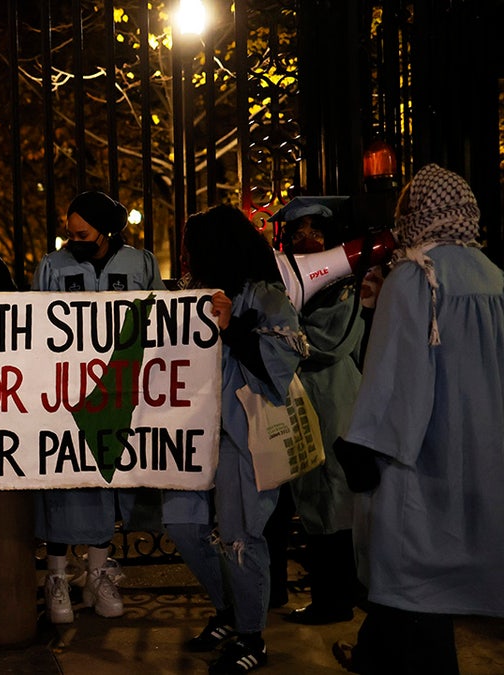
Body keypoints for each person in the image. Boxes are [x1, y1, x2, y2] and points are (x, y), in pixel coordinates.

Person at [330, 165, 504, 674]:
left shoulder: (416, 279)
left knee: (414, 585)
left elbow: (393, 381)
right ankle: (373, 654)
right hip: (484, 455)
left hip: (422, 459)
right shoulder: (495, 278)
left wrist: (362, 445)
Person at [169, 204, 307, 674]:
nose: (189, 259)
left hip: (242, 436)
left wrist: (232, 331)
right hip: (191, 433)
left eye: (196, 249)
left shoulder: (265, 295)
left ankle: (251, 634)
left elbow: (282, 363)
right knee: (183, 524)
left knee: (240, 535)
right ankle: (228, 611)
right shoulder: (191, 293)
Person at [30, 190, 164, 625]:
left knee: (108, 474)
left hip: (121, 392)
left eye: (83, 233)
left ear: (107, 231)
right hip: (67, 394)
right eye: (70, 234)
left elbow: (162, 319)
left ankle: (97, 573)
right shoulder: (53, 266)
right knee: (64, 478)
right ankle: (55, 577)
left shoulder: (141, 264)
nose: (74, 240)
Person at [264, 197, 363, 625]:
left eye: (314, 230)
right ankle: (285, 592)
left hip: (329, 403)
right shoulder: (286, 282)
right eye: (297, 232)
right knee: (302, 500)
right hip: (297, 403)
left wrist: (276, 333)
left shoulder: (341, 286)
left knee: (331, 501)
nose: (307, 239)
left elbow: (324, 342)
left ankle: (335, 601)